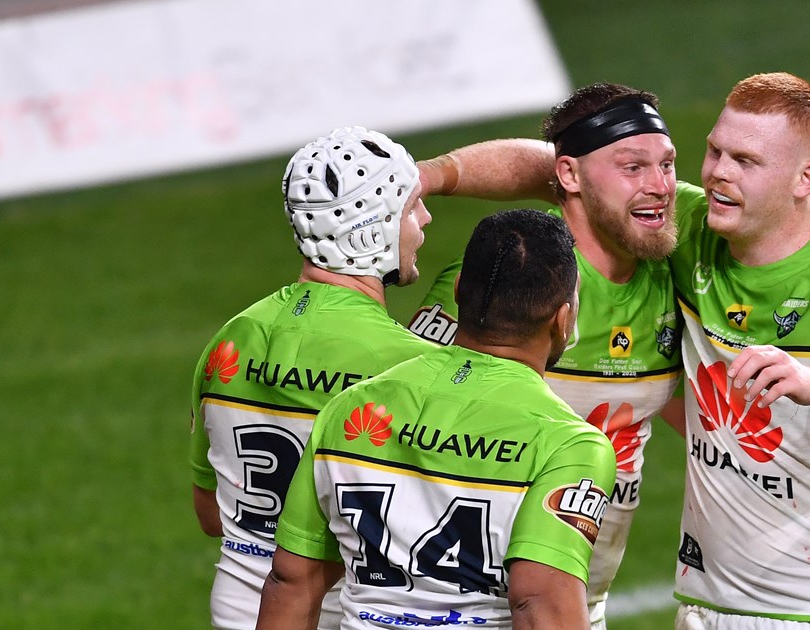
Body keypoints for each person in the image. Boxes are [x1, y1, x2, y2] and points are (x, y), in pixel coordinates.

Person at [418, 72, 810, 628]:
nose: (717, 175)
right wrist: (424, 178)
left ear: (806, 177)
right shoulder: (684, 228)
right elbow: (559, 164)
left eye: (746, 161)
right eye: (713, 152)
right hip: (702, 606)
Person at [405, 82, 683, 628]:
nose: (660, 186)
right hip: (459, 608)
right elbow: (398, 407)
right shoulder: (514, 277)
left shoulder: (675, 252)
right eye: (633, 167)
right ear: (570, 177)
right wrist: (429, 175)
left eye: (669, 165)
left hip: (576, 608)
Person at [256, 209, 616, 630]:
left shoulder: (351, 408)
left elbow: (292, 580)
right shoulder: (567, 445)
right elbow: (540, 603)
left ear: (460, 290)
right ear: (563, 318)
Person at [188, 127, 438, 630]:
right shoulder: (409, 367)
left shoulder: (231, 340)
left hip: (238, 611)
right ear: (373, 231)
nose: (425, 219)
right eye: (411, 208)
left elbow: (211, 513)